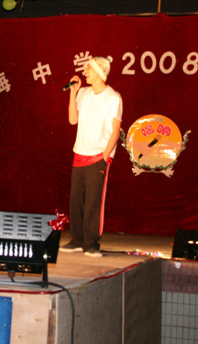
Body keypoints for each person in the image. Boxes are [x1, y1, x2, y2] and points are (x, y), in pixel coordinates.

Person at [59, 56, 122, 257]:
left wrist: (105, 155)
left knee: (93, 202)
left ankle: (91, 243)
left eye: (89, 68)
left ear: (100, 72)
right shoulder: (84, 93)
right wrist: (73, 93)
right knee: (76, 200)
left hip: (98, 156)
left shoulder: (113, 98)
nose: (85, 72)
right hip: (80, 152)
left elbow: (115, 131)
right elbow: (72, 120)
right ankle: (77, 240)